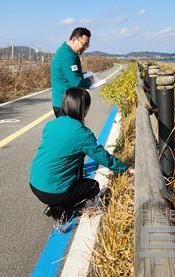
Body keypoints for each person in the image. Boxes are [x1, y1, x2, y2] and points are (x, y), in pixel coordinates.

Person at [29, 87, 132, 220]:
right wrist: (126, 169)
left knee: (77, 173)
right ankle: (62, 210)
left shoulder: (51, 124)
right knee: (92, 187)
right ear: (84, 108)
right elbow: (103, 157)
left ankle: (57, 204)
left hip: (35, 184)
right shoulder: (82, 133)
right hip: (54, 191)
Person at [50, 27, 94, 118]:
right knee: (70, 130)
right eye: (84, 44)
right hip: (66, 104)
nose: (85, 48)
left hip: (66, 102)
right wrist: (90, 81)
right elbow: (76, 83)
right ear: (74, 39)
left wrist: (82, 75)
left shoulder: (68, 51)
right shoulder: (67, 56)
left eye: (87, 46)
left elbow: (70, 73)